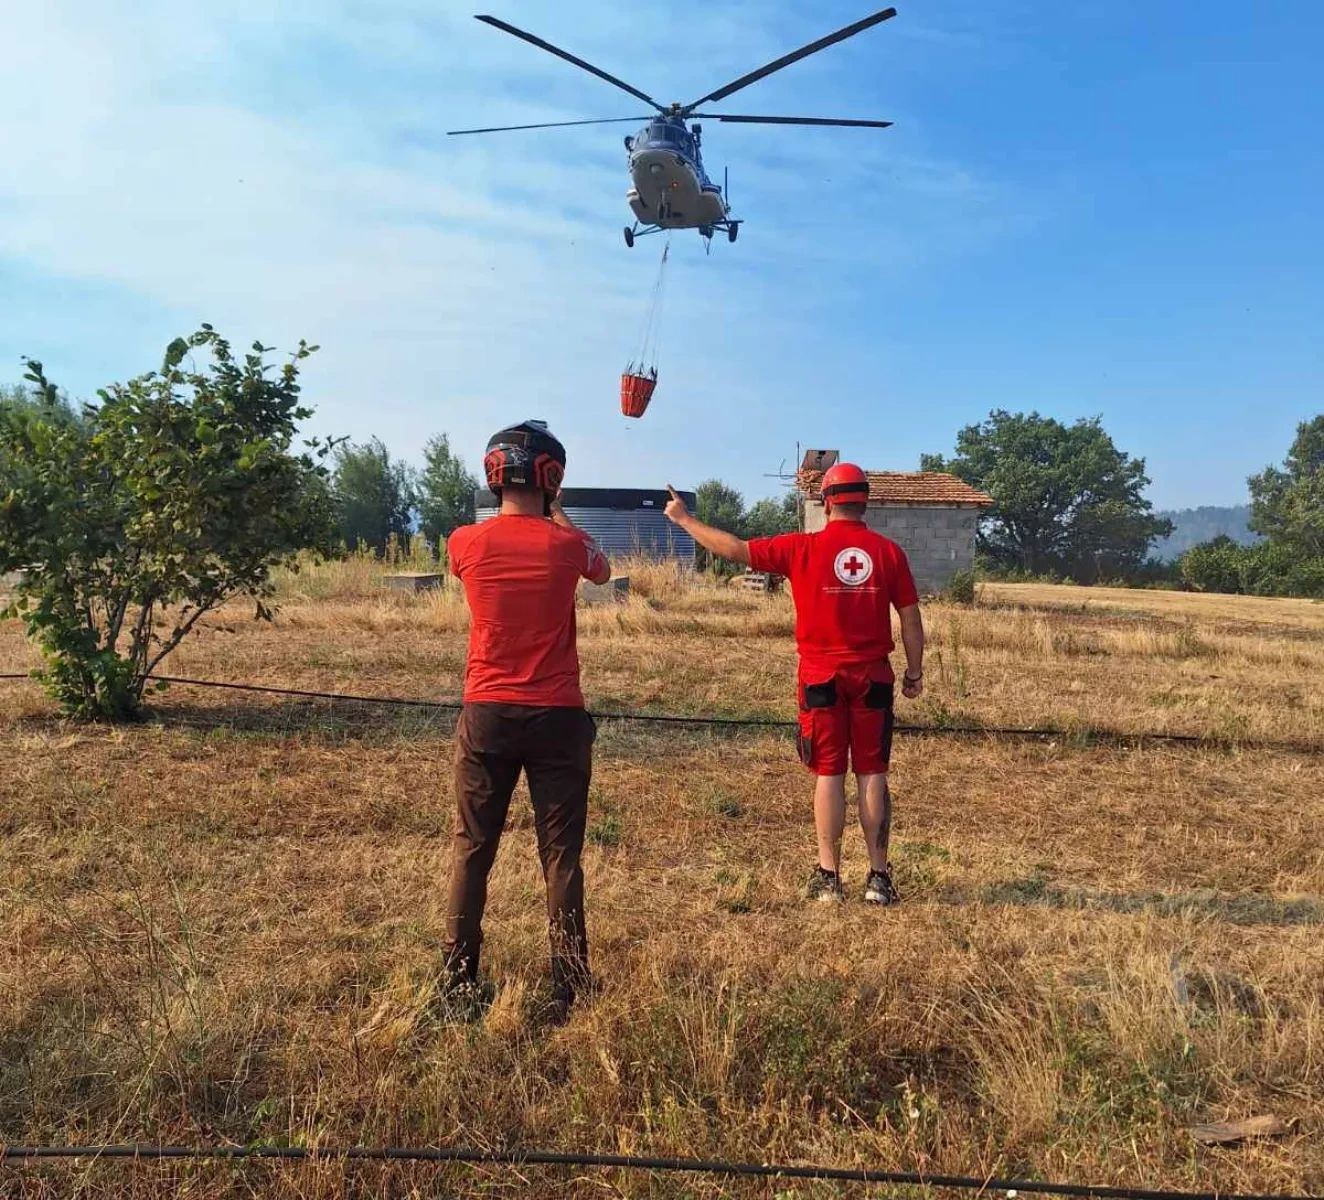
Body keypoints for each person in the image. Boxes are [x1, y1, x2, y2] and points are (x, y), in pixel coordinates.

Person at [664, 464, 925, 905]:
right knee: (872, 773)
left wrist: (685, 519)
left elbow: (735, 549)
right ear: (865, 503)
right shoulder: (889, 553)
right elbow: (911, 618)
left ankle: (829, 879)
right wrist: (914, 672)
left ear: (826, 504)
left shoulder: (799, 548)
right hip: (873, 676)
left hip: (820, 676)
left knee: (828, 772)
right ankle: (879, 879)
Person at [444, 420, 611, 1016]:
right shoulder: (568, 546)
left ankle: (457, 978)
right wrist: (557, 513)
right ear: (552, 478)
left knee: (473, 846)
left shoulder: (464, 542)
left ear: (493, 474)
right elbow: (603, 568)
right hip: (558, 716)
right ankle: (570, 981)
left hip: (486, 711)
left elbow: (470, 565)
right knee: (561, 854)